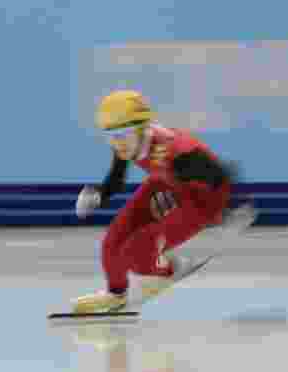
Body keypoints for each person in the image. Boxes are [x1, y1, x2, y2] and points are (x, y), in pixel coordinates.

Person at [72, 90, 243, 314]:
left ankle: (172, 268)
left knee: (137, 251)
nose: (117, 142)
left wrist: (231, 213)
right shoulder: (128, 141)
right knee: (113, 242)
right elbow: (117, 178)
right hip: (170, 182)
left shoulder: (174, 150)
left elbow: (220, 174)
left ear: (143, 129)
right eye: (110, 135)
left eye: (122, 134)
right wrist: (98, 194)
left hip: (206, 199)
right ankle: (116, 295)